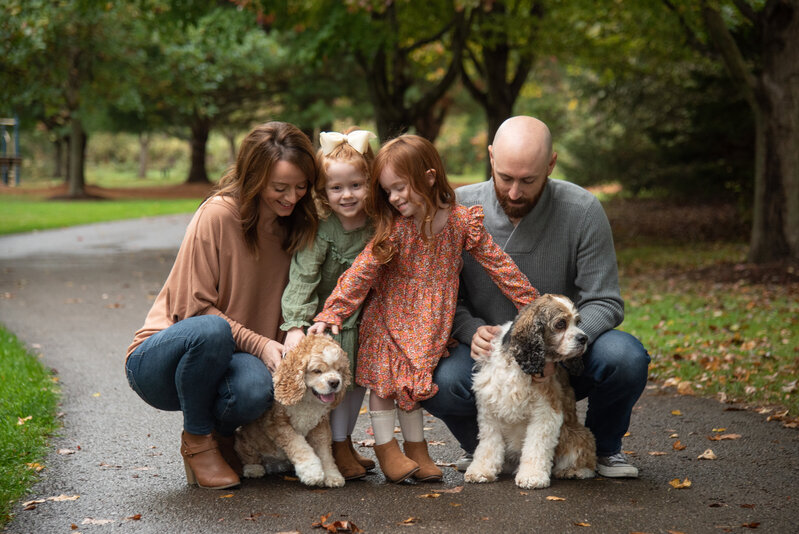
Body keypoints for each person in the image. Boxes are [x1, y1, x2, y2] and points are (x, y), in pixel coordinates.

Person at [419, 116, 651, 478]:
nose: (514, 193)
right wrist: (469, 329)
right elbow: (444, 295)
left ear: (551, 164)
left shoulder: (583, 210)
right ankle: (484, 447)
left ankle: (603, 448)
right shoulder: (458, 209)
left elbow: (605, 301)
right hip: (490, 356)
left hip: (566, 352)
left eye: (528, 180)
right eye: (506, 178)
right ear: (491, 157)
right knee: (437, 380)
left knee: (626, 357)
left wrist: (554, 349)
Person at [308, 134, 538, 484]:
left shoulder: (461, 222)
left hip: (429, 326)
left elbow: (499, 266)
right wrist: (333, 312)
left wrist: (533, 305)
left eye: (401, 187)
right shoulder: (396, 230)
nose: (395, 198)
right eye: (387, 191)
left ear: (429, 177)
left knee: (413, 389)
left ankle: (417, 450)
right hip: (389, 319)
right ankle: (387, 450)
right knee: (385, 389)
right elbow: (361, 273)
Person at [124, 121, 319, 490]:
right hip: (163, 362)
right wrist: (261, 343)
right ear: (254, 178)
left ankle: (223, 437)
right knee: (212, 331)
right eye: (279, 188)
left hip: (234, 362)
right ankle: (197, 441)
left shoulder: (298, 226)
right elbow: (192, 312)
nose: (291, 198)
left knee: (256, 388)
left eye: (300, 187)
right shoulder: (218, 214)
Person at [280, 128, 377, 481]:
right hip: (330, 324)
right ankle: (335, 445)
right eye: (336, 188)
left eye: (356, 185)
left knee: (357, 385)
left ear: (371, 182)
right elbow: (303, 277)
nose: (347, 195)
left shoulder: (378, 225)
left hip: (365, 319)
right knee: (334, 386)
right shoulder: (323, 229)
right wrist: (294, 324)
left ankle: (345, 441)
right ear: (323, 192)